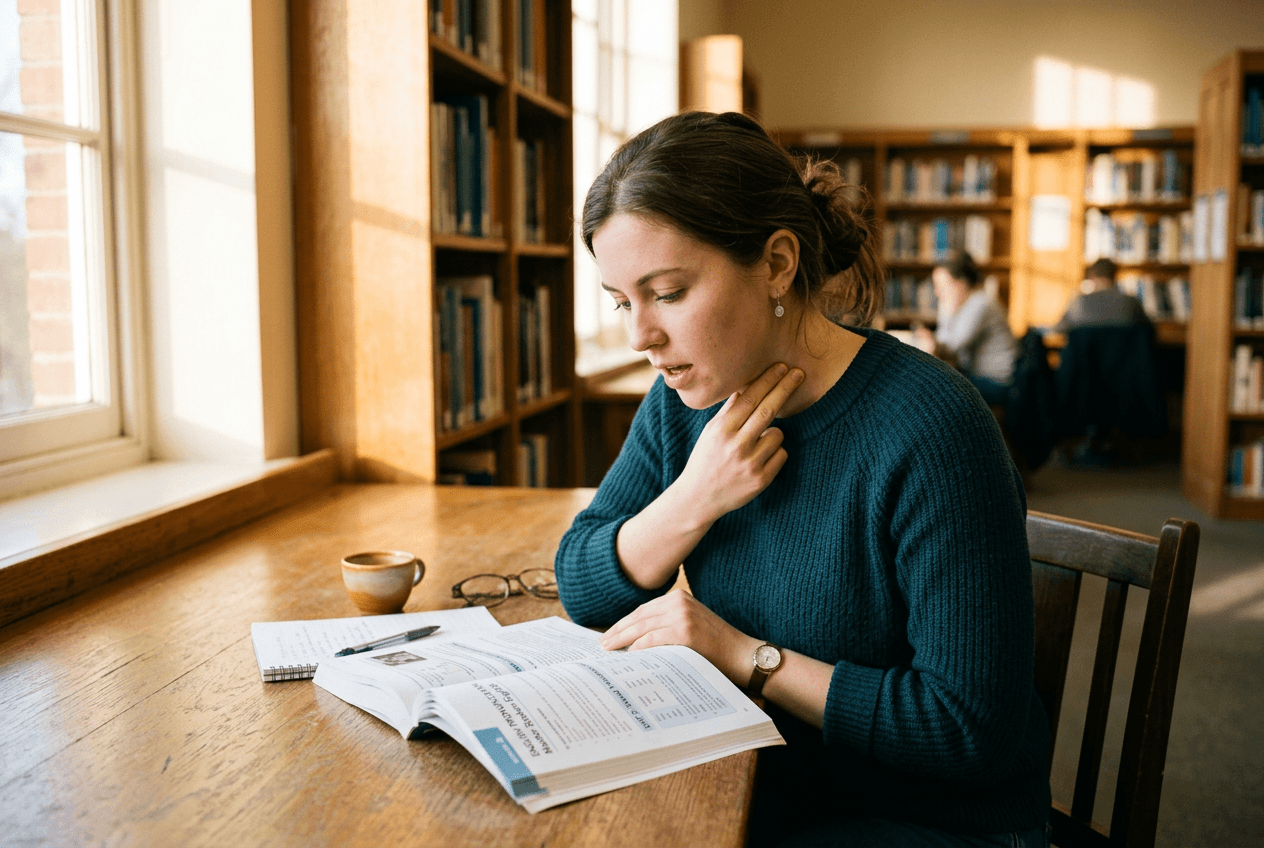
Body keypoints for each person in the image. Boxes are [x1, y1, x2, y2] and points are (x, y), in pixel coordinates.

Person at [554, 111, 1051, 848]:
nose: (640, 337)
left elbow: (966, 731)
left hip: (919, 821)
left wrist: (743, 655)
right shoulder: (684, 401)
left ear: (778, 264)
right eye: (622, 302)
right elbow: (582, 584)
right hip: (766, 786)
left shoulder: (934, 427)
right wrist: (695, 497)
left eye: (668, 292)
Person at [912, 252, 1017, 406]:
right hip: (979, 377)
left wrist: (946, 310)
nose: (937, 293)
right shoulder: (967, 303)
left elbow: (952, 345)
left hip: (997, 383)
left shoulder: (981, 303)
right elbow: (943, 341)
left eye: (942, 286)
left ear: (960, 284)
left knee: (936, 391)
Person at [1053, 258, 1149, 331]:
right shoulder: (1131, 302)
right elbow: (1148, 331)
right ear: (1114, 276)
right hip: (1123, 356)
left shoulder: (1079, 302)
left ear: (1091, 276)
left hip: (1086, 357)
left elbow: (1058, 329)